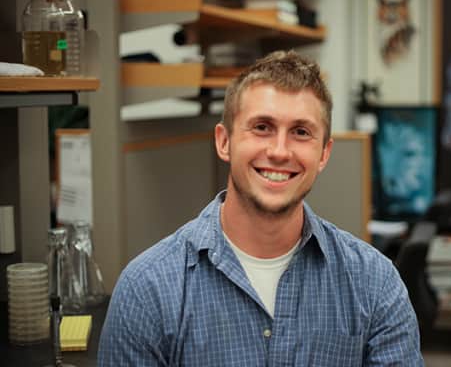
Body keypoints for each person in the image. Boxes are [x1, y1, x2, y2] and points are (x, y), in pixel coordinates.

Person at [98, 50, 424, 366]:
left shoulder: (374, 284)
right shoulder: (147, 290)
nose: (280, 151)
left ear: (324, 154)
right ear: (224, 141)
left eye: (300, 132)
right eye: (262, 127)